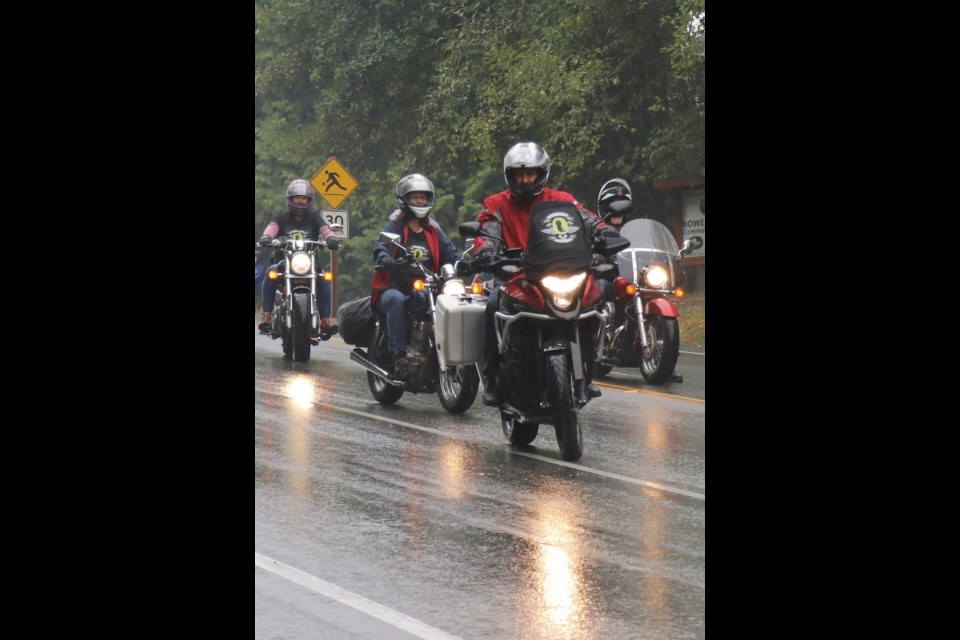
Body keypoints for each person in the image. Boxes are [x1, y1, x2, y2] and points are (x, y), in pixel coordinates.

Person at [471, 141, 615, 406]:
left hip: (562, 271)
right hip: (516, 276)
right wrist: (485, 250)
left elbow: (586, 218)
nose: (525, 180)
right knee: (492, 305)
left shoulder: (561, 199)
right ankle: (491, 377)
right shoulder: (496, 203)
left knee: (593, 301)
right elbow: (485, 233)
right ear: (510, 175)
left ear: (541, 173)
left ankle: (587, 371)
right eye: (519, 174)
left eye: (530, 174)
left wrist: (604, 232)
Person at [371, 173, 458, 370]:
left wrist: (463, 264)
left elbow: (451, 253)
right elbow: (380, 246)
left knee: (452, 301)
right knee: (396, 300)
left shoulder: (434, 231)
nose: (420, 201)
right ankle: (399, 352)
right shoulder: (394, 226)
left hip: (427, 287)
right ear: (404, 200)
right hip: (392, 288)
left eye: (423, 197)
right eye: (415, 197)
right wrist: (385, 259)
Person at [258, 179, 340, 335]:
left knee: (325, 278)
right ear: (290, 199)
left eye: (304, 198)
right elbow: (272, 228)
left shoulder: (315, 218)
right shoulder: (281, 217)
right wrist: (267, 237)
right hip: (284, 262)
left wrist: (330, 238)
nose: (300, 200)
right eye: (297, 197)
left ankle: (324, 320)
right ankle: (267, 315)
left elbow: (325, 229)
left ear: (309, 200)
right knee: (270, 273)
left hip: (310, 264)